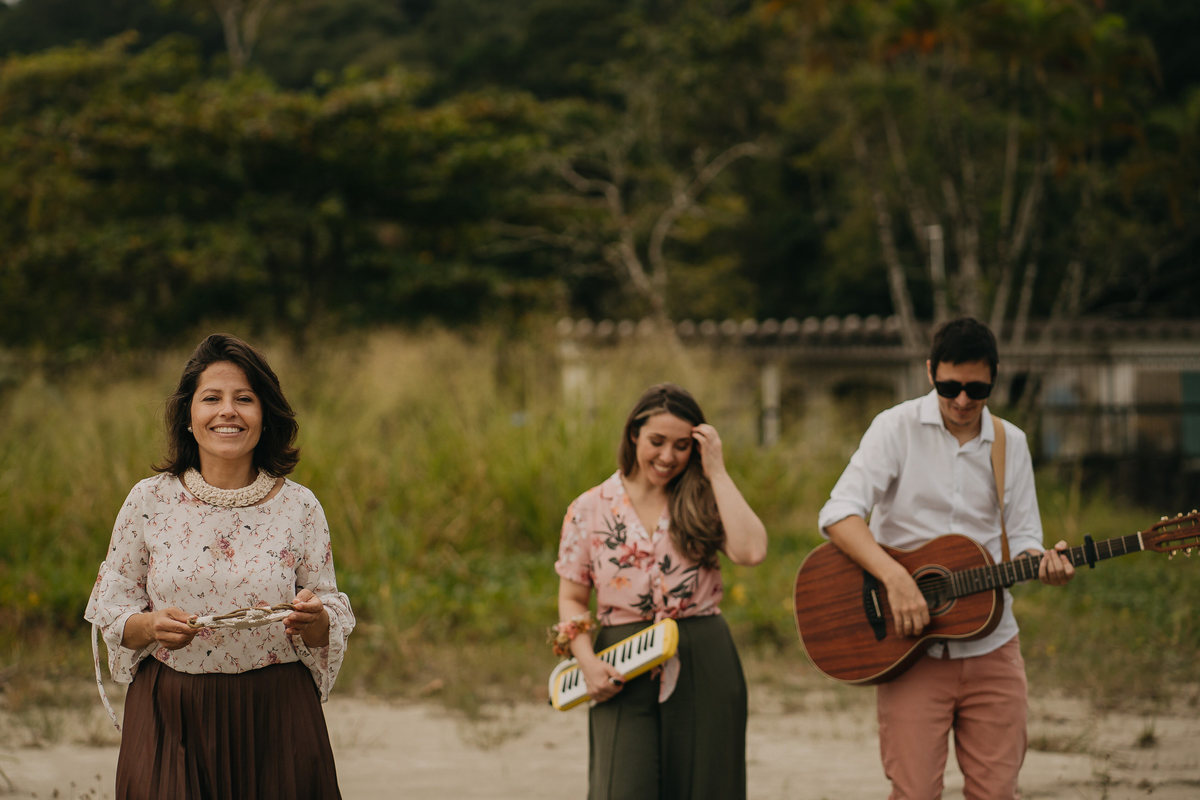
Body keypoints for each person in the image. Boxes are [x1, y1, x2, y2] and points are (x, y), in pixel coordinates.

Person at [85, 333, 355, 800]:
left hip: (277, 713)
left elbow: (327, 608)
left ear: (265, 416)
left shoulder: (300, 506)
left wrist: (317, 618)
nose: (227, 411)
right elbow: (112, 609)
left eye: (244, 399)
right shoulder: (148, 501)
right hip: (171, 710)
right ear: (189, 416)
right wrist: (149, 625)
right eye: (212, 398)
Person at [817, 317, 1075, 799]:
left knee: (997, 793)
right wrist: (895, 579)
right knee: (914, 792)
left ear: (994, 377)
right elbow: (838, 514)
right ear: (930, 370)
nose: (961, 400)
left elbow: (1023, 540)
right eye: (949, 385)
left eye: (975, 388)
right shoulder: (895, 428)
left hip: (993, 647)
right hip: (909, 649)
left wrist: (1044, 562)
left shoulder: (1010, 443)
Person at [553, 383, 768, 800]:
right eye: (657, 441)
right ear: (634, 434)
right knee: (622, 786)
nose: (668, 457)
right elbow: (572, 598)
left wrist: (717, 471)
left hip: (704, 654)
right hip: (620, 661)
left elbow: (753, 550)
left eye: (682, 445)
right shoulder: (590, 508)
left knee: (708, 788)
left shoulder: (704, 499)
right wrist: (588, 664)